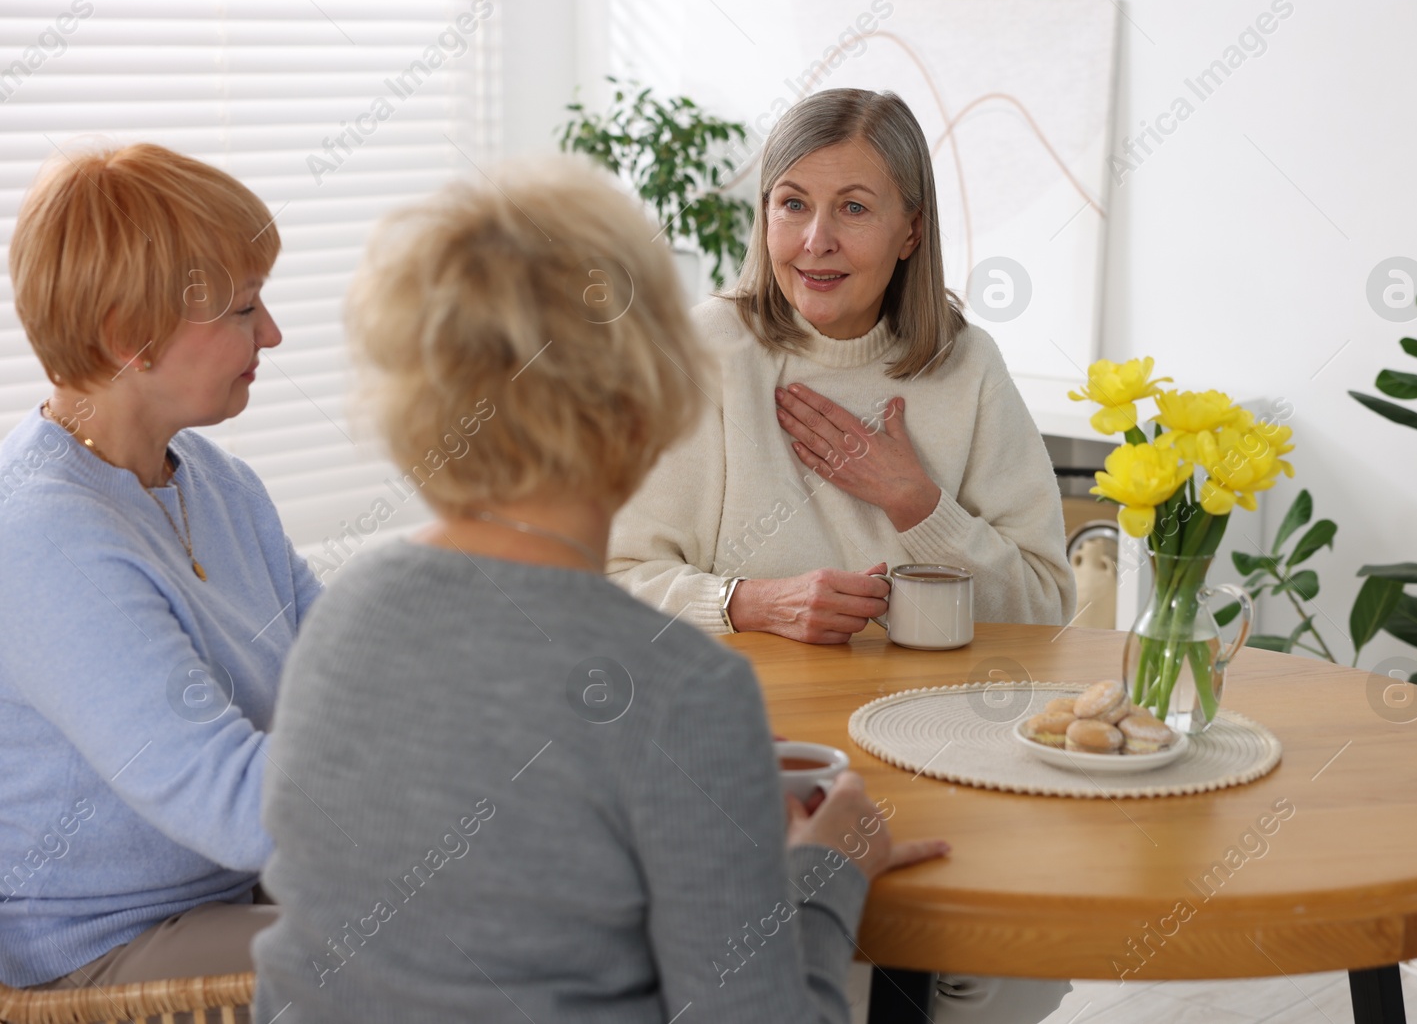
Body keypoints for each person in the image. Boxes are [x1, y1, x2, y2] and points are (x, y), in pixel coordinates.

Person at [251, 156, 950, 1023]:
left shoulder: (344, 614)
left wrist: (709, 792)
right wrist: (828, 871)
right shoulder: (685, 691)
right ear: (646, 397)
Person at [0, 144, 319, 992]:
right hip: (109, 942)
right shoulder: (42, 534)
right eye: (245, 308)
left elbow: (349, 673)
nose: (274, 334)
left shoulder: (219, 484)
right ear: (126, 337)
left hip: (236, 892)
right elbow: (234, 802)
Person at [607, 88, 1075, 646]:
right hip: (746, 714)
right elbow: (611, 581)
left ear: (911, 232)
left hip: (928, 715)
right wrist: (750, 603)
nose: (816, 241)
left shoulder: (968, 366)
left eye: (853, 208)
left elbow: (1044, 609)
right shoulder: (701, 352)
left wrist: (918, 505)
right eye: (793, 204)